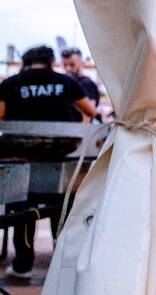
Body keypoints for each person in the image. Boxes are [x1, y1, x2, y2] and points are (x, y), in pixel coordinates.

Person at [0, 45, 97, 278]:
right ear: (51, 61)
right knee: (60, 208)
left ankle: (23, 265)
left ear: (26, 62)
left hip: (20, 159)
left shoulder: (11, 83)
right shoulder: (66, 82)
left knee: (21, 207)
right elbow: (90, 111)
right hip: (58, 159)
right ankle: (60, 264)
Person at [60, 46, 100, 120]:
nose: (68, 68)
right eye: (65, 65)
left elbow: (87, 115)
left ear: (81, 63)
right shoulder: (65, 82)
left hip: (77, 129)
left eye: (72, 64)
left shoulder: (86, 83)